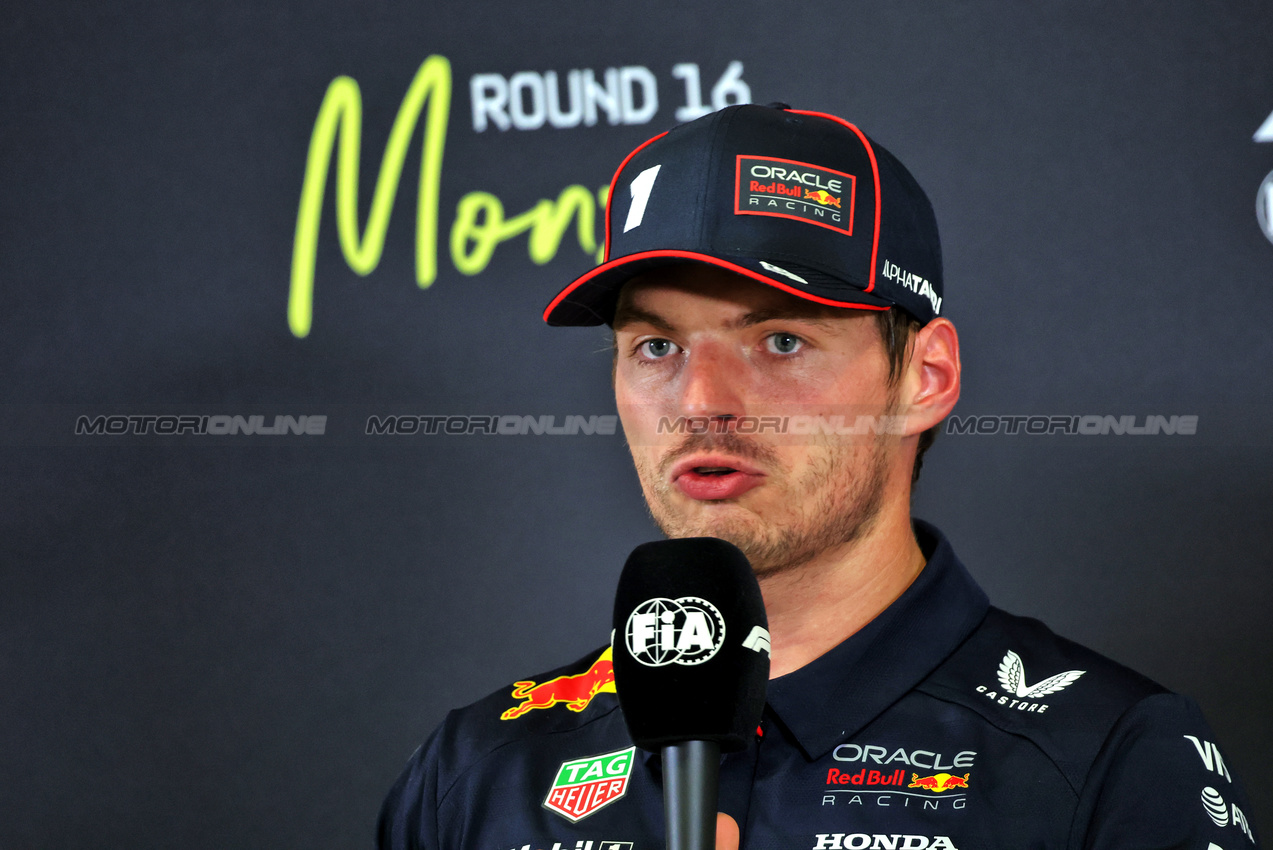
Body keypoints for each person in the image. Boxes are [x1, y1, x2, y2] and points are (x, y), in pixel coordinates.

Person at [378, 104, 1259, 850]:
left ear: (924, 377)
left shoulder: (1106, 756)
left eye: (781, 340)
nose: (700, 400)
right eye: (655, 346)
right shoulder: (480, 771)